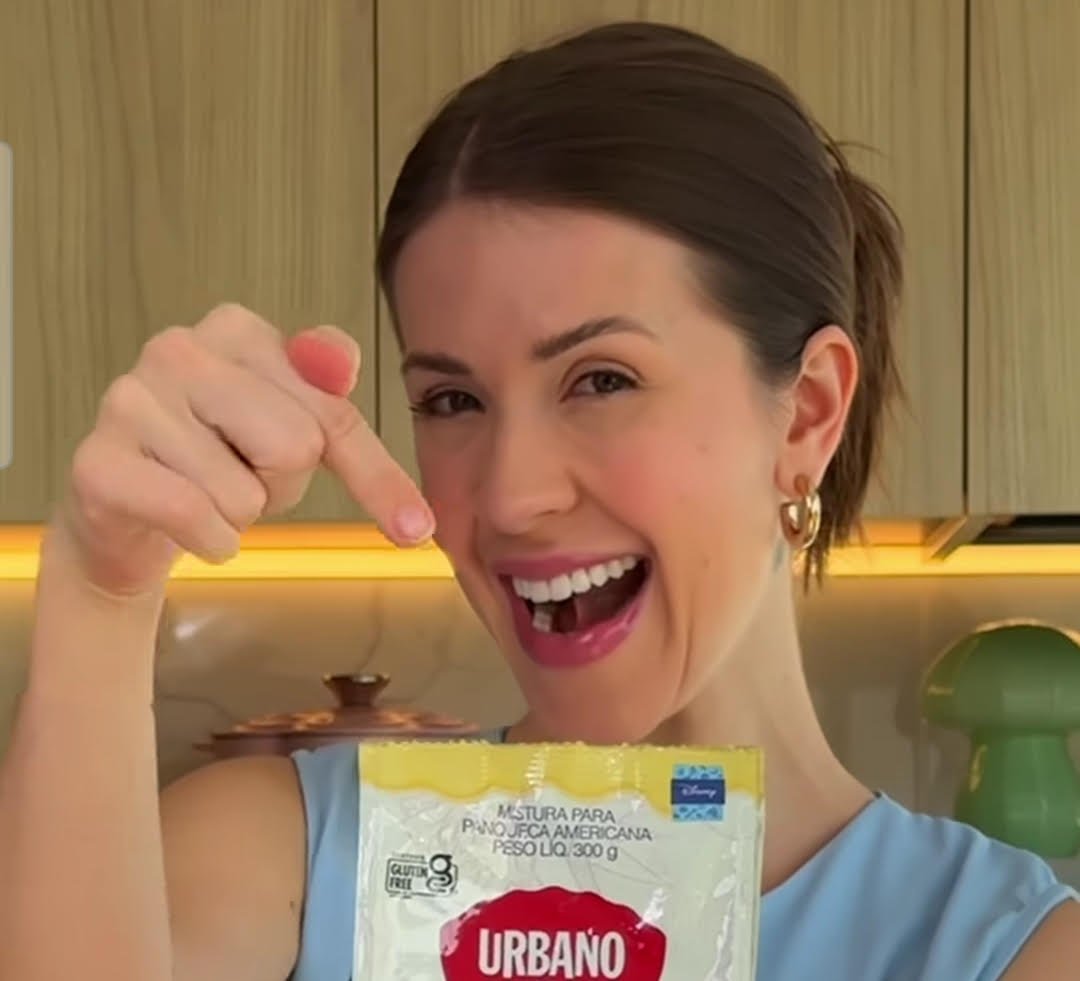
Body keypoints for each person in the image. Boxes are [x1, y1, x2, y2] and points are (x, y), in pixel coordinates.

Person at [0, 19, 1076, 981]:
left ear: (806, 415)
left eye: (601, 380)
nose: (510, 496)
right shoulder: (291, 853)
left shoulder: (1003, 949)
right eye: (453, 399)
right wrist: (102, 590)